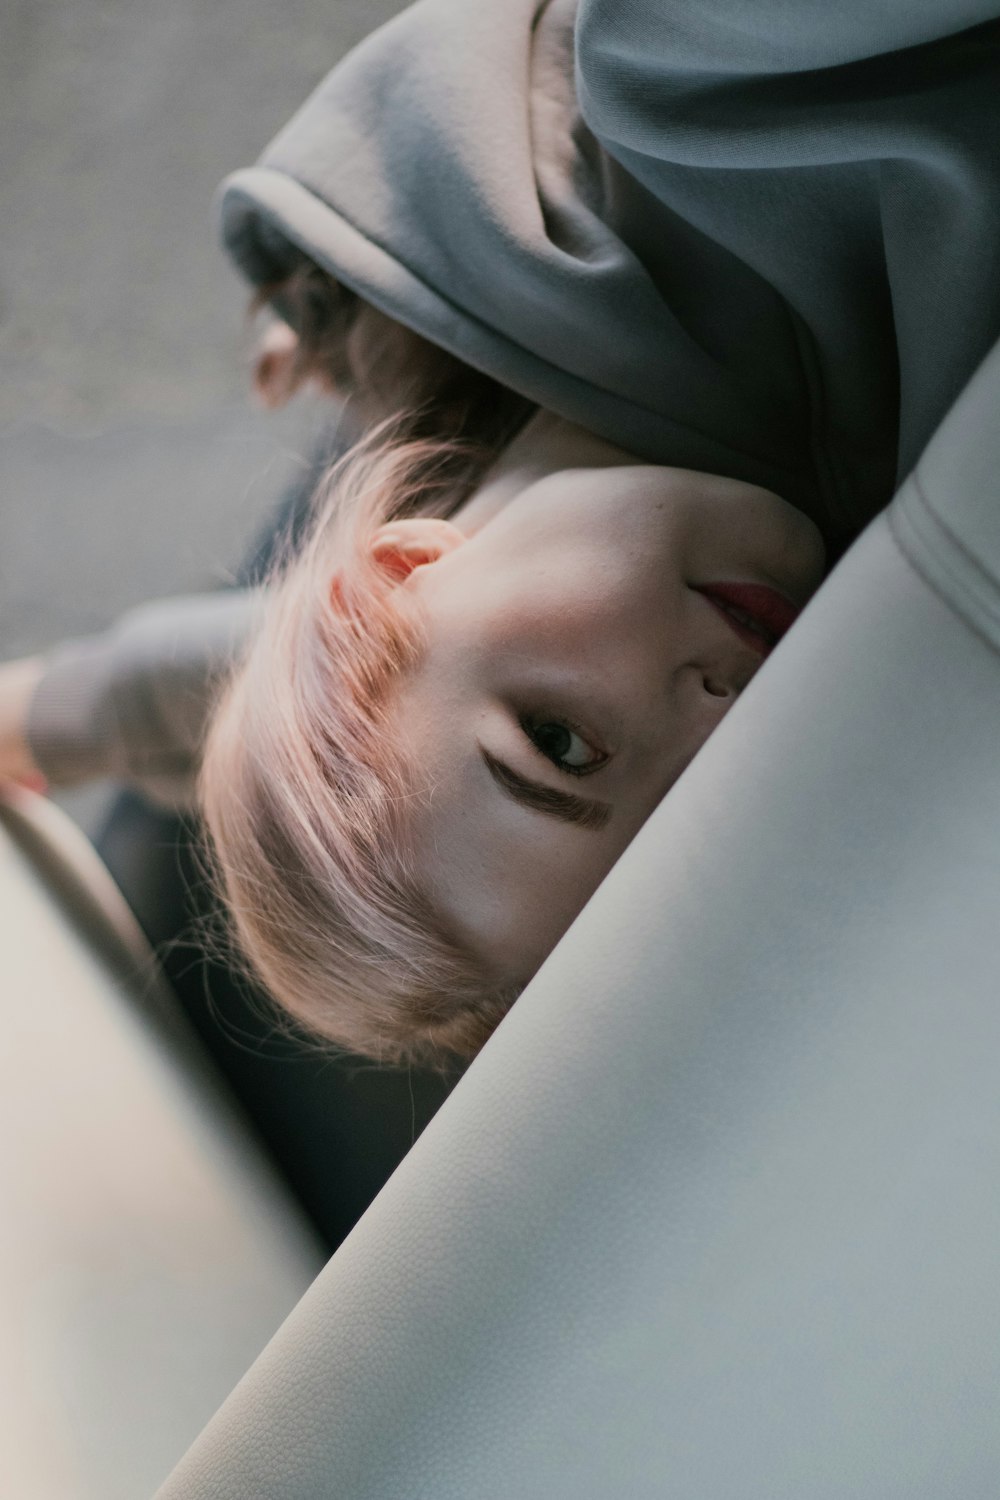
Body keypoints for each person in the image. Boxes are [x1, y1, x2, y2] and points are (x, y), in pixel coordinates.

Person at [2, 0, 998, 1229]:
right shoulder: (889, 646)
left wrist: (61, 708)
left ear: (399, 569)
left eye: (562, 744)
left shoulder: (674, 100)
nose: (714, 725)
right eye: (681, 823)